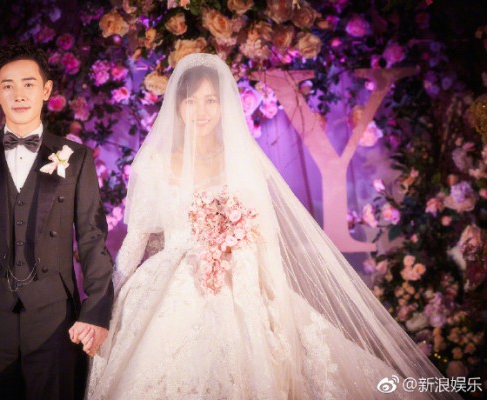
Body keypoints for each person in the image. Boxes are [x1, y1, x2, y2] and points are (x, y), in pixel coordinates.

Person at [86, 53, 461, 399]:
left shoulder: (241, 160)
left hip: (238, 279)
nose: (201, 110)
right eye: (191, 101)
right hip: (169, 282)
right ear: (177, 106)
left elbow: (263, 234)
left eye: (211, 100)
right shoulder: (154, 164)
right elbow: (137, 238)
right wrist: (106, 301)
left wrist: (268, 292)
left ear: (224, 105)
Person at [0, 42, 114, 399]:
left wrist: (96, 313)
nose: (19, 94)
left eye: (29, 84)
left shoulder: (76, 158)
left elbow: (93, 240)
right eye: (8, 85)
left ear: (46, 90)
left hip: (56, 321)